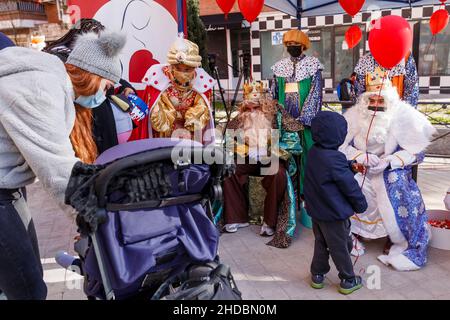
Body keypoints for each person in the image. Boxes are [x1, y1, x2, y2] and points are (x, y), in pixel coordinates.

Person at [0, 30, 125, 299]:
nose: (106, 94)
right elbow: (58, 172)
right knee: (27, 289)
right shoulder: (39, 87)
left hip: (8, 187)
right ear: (92, 75)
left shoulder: (55, 84)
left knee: (27, 275)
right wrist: (97, 220)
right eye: (107, 86)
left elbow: (70, 162)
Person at [340, 73, 436, 271]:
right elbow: (340, 147)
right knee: (350, 185)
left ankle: (396, 237)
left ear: (389, 100)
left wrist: (390, 161)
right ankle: (354, 233)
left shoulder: (402, 116)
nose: (375, 104)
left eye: (380, 99)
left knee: (396, 187)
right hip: (361, 169)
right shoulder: (354, 117)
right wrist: (359, 157)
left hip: (389, 171)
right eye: (371, 99)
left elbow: (416, 153)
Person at [44, 18, 142, 154]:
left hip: (97, 126)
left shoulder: (99, 69)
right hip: (86, 126)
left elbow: (111, 77)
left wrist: (125, 86)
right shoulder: (61, 68)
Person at [223, 81, 303, 248]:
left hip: (272, 157)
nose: (252, 112)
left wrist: (268, 151)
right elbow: (229, 142)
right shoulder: (239, 119)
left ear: (264, 104)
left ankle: (270, 221)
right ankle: (237, 218)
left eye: (256, 108)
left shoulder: (277, 113)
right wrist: (244, 150)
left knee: (277, 173)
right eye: (248, 108)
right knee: (229, 168)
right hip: (249, 158)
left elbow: (293, 141)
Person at [304, 111, 367, 295]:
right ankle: (348, 279)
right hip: (334, 213)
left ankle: (317, 274)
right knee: (340, 246)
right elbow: (349, 186)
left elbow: (329, 170)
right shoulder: (335, 159)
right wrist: (361, 205)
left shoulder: (315, 151)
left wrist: (349, 165)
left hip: (317, 211)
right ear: (337, 136)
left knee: (321, 242)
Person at [271, 29, 323, 228]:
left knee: (308, 159)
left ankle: (307, 198)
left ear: (303, 46)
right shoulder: (279, 68)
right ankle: (289, 201)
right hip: (285, 123)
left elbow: (315, 94)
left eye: (295, 44)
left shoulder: (313, 66)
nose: (292, 47)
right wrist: (280, 115)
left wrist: (304, 118)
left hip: (306, 124)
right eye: (289, 44)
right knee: (287, 159)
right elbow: (274, 94)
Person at [137, 35, 216, 144]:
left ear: (194, 68)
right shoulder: (158, 81)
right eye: (178, 68)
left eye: (187, 69)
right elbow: (156, 115)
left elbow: (201, 108)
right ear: (171, 66)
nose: (183, 73)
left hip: (189, 136)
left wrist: (191, 123)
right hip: (164, 137)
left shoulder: (201, 84)